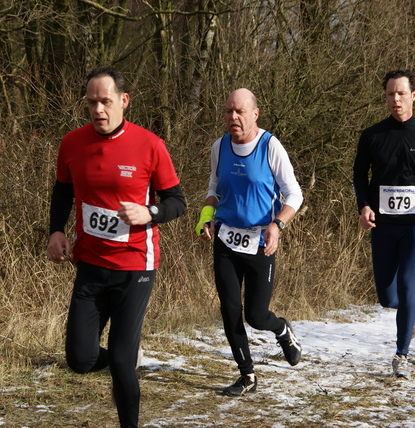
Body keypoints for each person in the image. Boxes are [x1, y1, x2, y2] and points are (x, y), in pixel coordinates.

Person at [47, 66, 186, 427]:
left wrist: (149, 212)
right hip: (90, 265)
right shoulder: (72, 143)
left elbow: (177, 202)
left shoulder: (150, 145)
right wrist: (55, 231)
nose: (98, 110)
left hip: (135, 267)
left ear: (123, 101)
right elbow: (63, 190)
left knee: (122, 364)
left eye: (105, 102)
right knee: (79, 359)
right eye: (91, 103)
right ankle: (126, 356)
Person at [195, 88, 304, 396]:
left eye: (239, 111)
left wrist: (277, 224)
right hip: (226, 240)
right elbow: (214, 187)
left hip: (259, 242)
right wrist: (206, 216)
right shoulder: (220, 146)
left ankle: (282, 330)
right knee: (230, 309)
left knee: (256, 315)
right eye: (228, 111)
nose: (233, 117)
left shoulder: (270, 146)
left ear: (254, 114)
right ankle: (247, 376)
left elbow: (294, 194)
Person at [352, 70, 415, 379]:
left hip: (414, 225)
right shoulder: (372, 135)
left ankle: (401, 356)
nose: (395, 99)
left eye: (400, 93)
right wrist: (364, 205)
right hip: (383, 226)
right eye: (390, 94)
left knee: (407, 285)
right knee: (387, 297)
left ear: (414, 95)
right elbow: (358, 176)